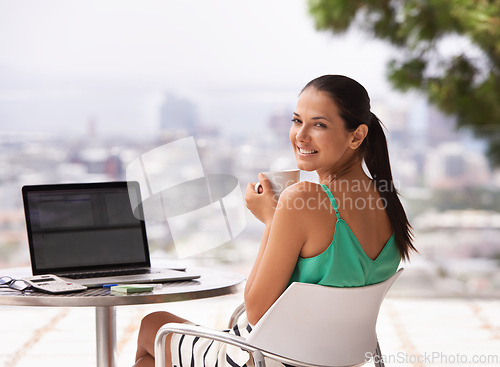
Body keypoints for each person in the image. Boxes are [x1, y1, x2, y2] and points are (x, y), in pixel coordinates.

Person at [133, 75, 415, 367]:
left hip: (267, 358)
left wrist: (272, 219)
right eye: (297, 121)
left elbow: (256, 310)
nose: (301, 136)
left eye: (319, 124)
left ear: (356, 136)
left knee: (153, 326)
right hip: (333, 360)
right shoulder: (387, 201)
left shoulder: (303, 198)